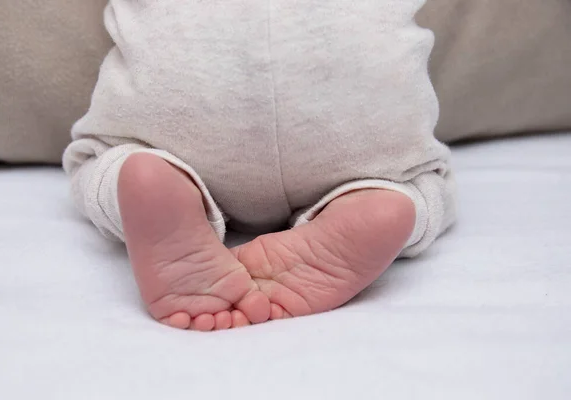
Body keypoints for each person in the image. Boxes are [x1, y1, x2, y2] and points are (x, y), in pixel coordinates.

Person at [63, 0, 456, 331]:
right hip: (351, 107)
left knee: (106, 164)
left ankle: (155, 176)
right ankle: (381, 200)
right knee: (418, 185)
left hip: (186, 98)